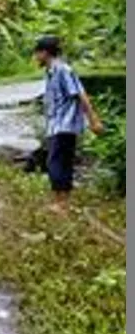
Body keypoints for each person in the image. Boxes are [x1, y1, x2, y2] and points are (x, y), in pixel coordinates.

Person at [33, 35, 103, 211]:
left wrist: (93, 120)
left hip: (65, 125)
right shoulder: (51, 72)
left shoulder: (63, 70)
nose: (36, 57)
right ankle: (60, 201)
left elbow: (80, 95)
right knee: (59, 162)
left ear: (45, 53)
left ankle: (62, 203)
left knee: (55, 163)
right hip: (56, 125)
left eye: (37, 53)